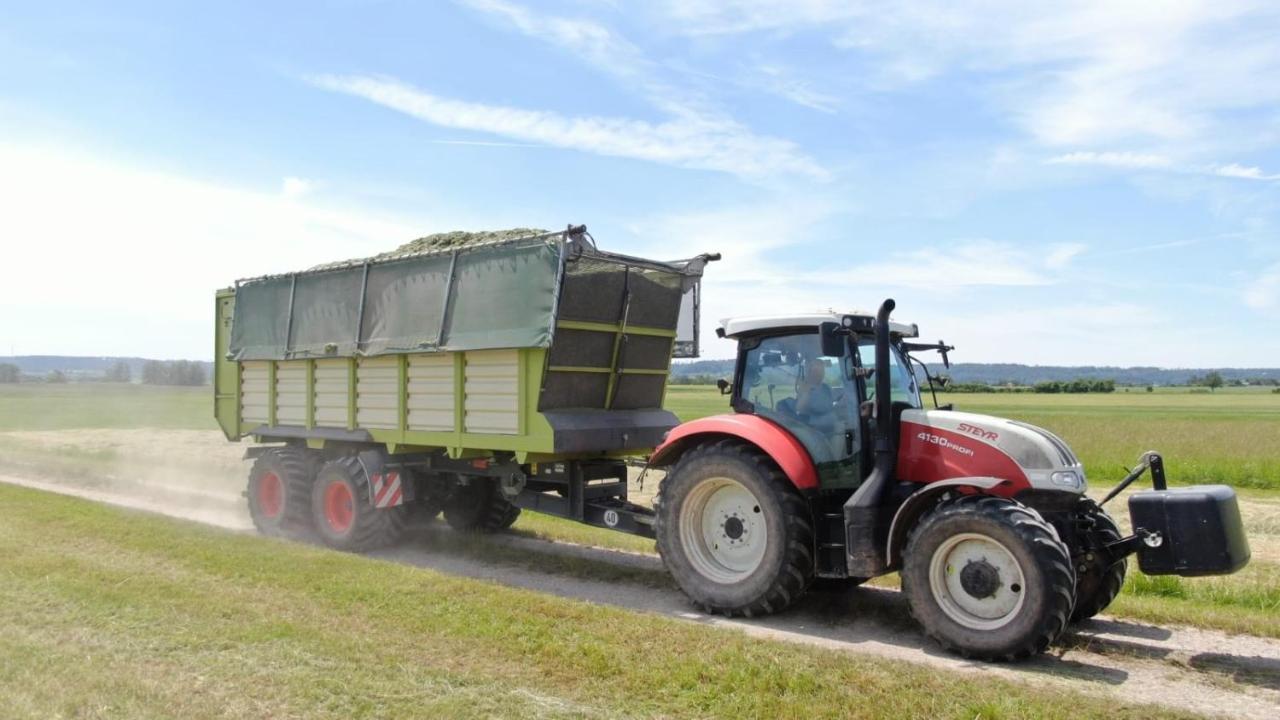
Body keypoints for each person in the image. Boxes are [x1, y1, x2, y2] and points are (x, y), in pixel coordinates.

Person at [795, 358, 835, 430]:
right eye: (817, 371)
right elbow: (799, 408)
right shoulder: (805, 387)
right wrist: (806, 393)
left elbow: (831, 406)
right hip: (812, 427)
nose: (820, 374)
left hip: (829, 424)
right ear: (811, 372)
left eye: (822, 371)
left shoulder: (826, 388)